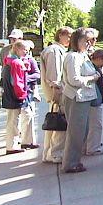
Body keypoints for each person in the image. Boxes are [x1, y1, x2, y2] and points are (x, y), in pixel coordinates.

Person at [61, 28, 101, 173]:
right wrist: (93, 78)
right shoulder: (73, 57)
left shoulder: (82, 55)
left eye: (91, 40)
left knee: (82, 131)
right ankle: (71, 163)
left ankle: (74, 161)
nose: (90, 43)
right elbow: (74, 79)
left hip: (84, 98)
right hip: (76, 98)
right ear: (77, 41)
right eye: (87, 40)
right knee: (76, 132)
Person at [40, 26, 72, 163]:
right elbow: (54, 76)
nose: (70, 39)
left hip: (55, 93)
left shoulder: (55, 50)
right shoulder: (55, 51)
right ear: (60, 35)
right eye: (69, 36)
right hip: (58, 93)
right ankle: (56, 153)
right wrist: (57, 93)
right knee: (59, 124)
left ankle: (48, 152)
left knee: (52, 124)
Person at [1, 40, 36, 154]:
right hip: (15, 95)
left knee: (14, 120)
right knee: (13, 121)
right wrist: (22, 94)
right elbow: (17, 82)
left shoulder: (10, 60)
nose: (26, 52)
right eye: (24, 49)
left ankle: (16, 144)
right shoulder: (16, 62)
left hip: (10, 94)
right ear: (17, 49)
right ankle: (11, 146)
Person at [84, 49, 103, 156]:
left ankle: (90, 146)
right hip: (94, 101)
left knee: (92, 125)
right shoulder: (93, 70)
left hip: (96, 100)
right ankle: (92, 148)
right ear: (99, 59)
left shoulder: (95, 68)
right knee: (95, 125)